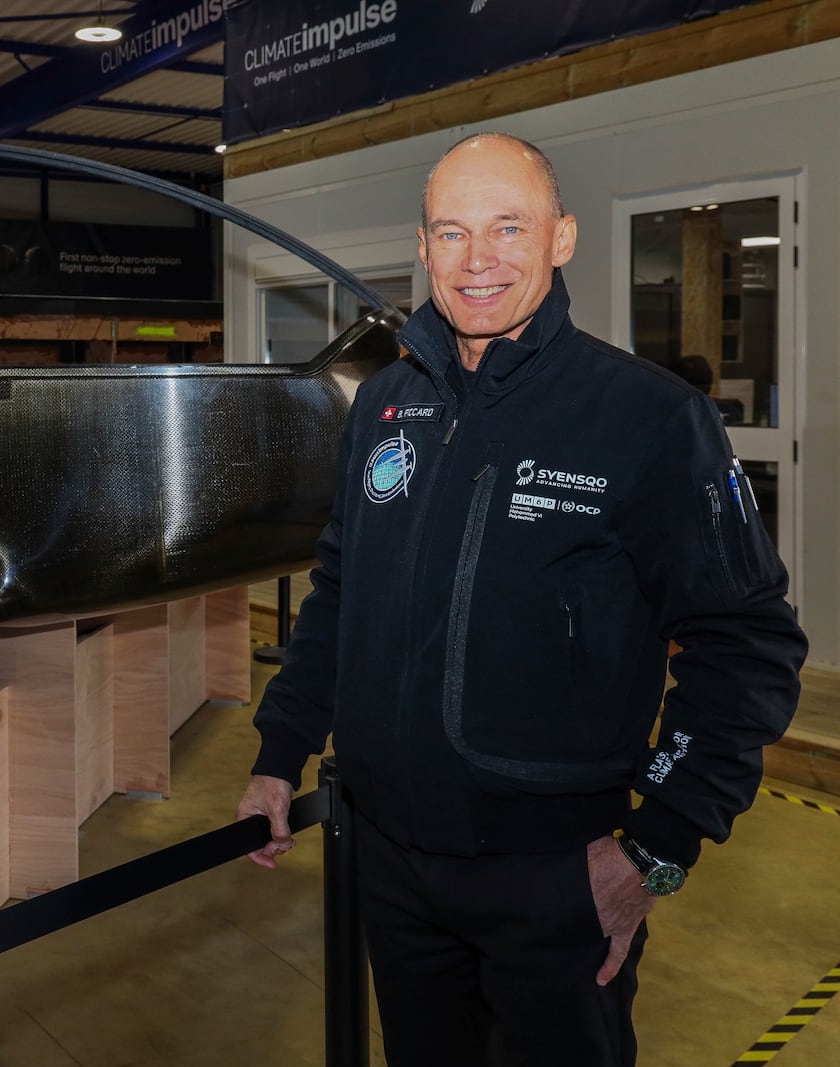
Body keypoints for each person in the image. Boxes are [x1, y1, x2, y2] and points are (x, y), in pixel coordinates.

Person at [236, 132, 805, 1066]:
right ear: (423, 249)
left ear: (562, 237)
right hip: (388, 862)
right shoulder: (384, 404)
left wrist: (656, 846)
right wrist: (278, 751)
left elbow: (747, 645)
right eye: (452, 232)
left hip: (554, 878)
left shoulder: (650, 418)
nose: (479, 258)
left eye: (509, 226)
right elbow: (341, 591)